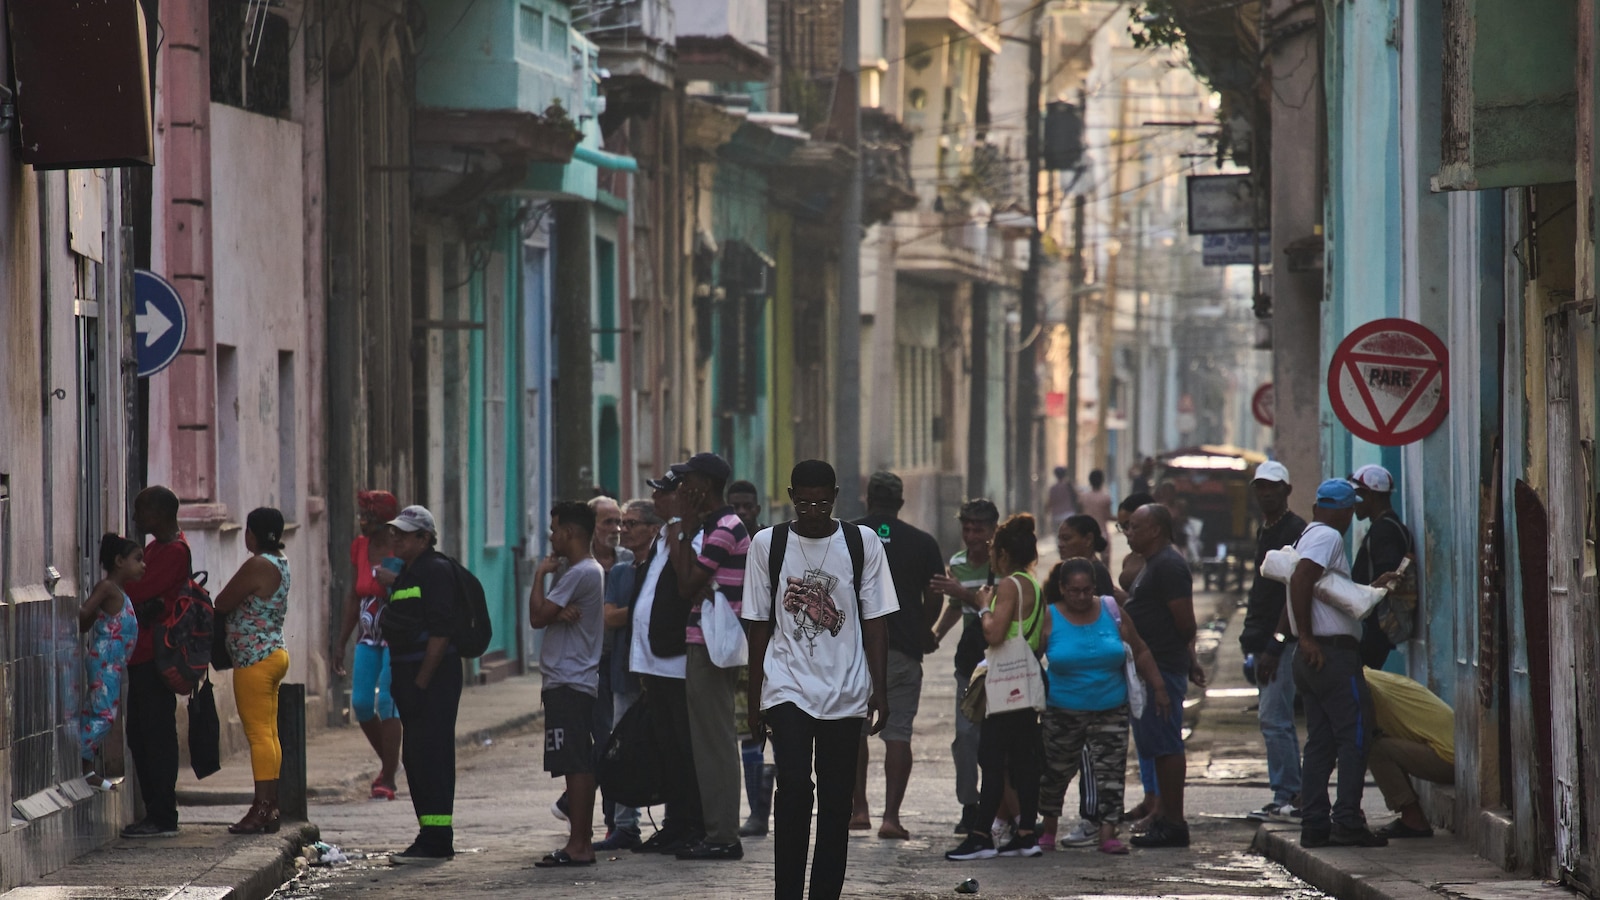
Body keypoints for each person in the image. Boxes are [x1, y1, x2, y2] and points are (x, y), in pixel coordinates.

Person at [743, 459, 896, 900]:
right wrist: (754, 697)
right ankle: (786, 892)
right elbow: (757, 625)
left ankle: (824, 893)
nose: (812, 510)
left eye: (821, 502)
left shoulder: (861, 542)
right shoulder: (766, 544)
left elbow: (877, 621)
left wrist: (879, 689)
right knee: (793, 786)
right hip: (787, 683)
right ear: (791, 497)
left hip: (846, 688)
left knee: (835, 799)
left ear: (834, 498)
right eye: (804, 501)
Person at [1036, 559, 1169, 855]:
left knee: (1110, 773)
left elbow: (1140, 649)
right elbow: (1032, 657)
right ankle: (1048, 829)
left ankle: (1108, 833)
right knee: (1055, 771)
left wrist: (1159, 687)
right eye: (1074, 591)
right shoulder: (1050, 616)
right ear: (1062, 589)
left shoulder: (1112, 612)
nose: (1081, 597)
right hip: (1062, 710)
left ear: (1094, 588)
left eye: (1087, 591)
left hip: (1111, 707)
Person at [1289, 479, 1387, 848]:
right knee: (1356, 735)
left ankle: (1315, 823)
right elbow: (1301, 579)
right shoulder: (1327, 537)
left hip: (1316, 656)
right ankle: (1346, 820)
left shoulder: (1307, 535)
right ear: (1345, 511)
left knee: (1322, 741)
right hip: (1329, 655)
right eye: (1350, 511)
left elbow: (1320, 590)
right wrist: (1308, 637)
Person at [945, 514, 1046, 861]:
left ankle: (980, 836)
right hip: (1027, 680)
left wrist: (982, 605)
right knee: (1023, 761)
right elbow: (1040, 635)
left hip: (1005, 683)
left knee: (990, 758)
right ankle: (1026, 834)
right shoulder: (1032, 584)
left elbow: (994, 633)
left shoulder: (1007, 585)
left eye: (993, 550)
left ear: (1002, 553)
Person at [850, 470, 945, 840]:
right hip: (902, 651)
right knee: (898, 733)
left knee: (854, 733)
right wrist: (925, 629)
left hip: (856, 653)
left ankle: (859, 810)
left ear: (867, 499)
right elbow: (935, 591)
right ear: (901, 503)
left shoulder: (848, 536)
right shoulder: (922, 542)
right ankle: (891, 818)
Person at [666, 452, 750, 861]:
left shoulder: (724, 528)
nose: (681, 490)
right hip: (702, 639)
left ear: (705, 486)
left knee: (715, 741)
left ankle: (723, 835)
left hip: (711, 645)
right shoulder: (712, 526)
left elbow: (686, 585)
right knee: (707, 740)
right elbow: (687, 582)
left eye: (688, 482)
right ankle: (717, 830)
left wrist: (682, 527)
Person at [383, 505, 464, 865]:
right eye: (395, 531)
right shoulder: (409, 572)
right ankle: (431, 835)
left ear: (425, 538)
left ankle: (436, 840)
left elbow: (441, 633)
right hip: (413, 683)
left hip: (432, 682)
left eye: (404, 532)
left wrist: (420, 684)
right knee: (416, 757)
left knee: (431, 757)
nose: (395, 537)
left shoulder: (434, 571)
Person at [628, 471, 703, 854]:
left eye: (665, 491)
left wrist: (679, 529)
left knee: (685, 746)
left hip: (676, 658)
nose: (656, 497)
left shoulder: (692, 533)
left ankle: (694, 823)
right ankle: (675, 823)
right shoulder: (662, 536)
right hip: (651, 659)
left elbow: (685, 581)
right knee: (665, 747)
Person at [530, 500, 606, 868]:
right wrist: (556, 611)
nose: (551, 537)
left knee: (576, 763)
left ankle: (580, 844)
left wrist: (539, 575)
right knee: (574, 760)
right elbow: (549, 615)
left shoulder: (579, 572)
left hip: (571, 680)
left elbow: (536, 616)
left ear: (570, 533)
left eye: (555, 529)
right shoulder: (578, 572)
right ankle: (579, 841)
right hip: (568, 680)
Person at [1121, 504, 1201, 848]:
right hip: (1151, 665)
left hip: (1163, 666)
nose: (1129, 532)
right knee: (1156, 744)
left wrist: (1184, 656)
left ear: (1155, 530)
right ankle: (1164, 815)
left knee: (1167, 745)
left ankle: (1174, 822)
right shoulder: (1152, 564)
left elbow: (1185, 621)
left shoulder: (1168, 565)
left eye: (1135, 526)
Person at [213, 508, 292, 835]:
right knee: (269, 735)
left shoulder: (258, 564)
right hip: (273, 652)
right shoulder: (281, 563)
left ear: (253, 534)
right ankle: (270, 807)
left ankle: (262, 808)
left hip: (254, 659)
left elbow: (222, 601)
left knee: (259, 736)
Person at [121, 485, 193, 838]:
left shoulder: (174, 551)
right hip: (142, 651)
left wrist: (118, 578)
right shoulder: (156, 548)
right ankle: (156, 810)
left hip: (156, 654)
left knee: (154, 733)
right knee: (140, 732)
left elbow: (137, 588)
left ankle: (162, 813)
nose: (136, 518)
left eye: (141, 510)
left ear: (160, 514)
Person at [929, 498, 1000, 835]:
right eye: (967, 528)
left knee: (999, 739)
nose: (971, 535)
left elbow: (1001, 609)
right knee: (966, 738)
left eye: (979, 530)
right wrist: (936, 635)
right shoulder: (956, 563)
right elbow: (955, 607)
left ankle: (1000, 806)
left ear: (993, 531)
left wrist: (962, 592)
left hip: (1002, 663)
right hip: (969, 667)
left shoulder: (1004, 566)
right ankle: (969, 805)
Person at [1241, 461, 1307, 822]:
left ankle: (1290, 795)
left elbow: (1291, 594)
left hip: (1279, 644)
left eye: (1272, 487)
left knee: (1275, 718)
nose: (1265, 493)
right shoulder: (1265, 530)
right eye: (1260, 487)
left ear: (1286, 490)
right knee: (1273, 718)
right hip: (1264, 640)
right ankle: (1287, 793)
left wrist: (1275, 643)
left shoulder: (1294, 531)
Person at [595, 498, 661, 851]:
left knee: (665, 745)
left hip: (660, 671)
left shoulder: (661, 566)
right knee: (622, 746)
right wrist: (643, 608)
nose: (624, 530)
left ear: (653, 529)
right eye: (622, 523)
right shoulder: (621, 572)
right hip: (626, 670)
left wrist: (631, 610)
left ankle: (673, 819)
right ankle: (624, 824)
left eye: (632, 524)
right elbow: (610, 617)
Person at [332, 490, 403, 801]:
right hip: (367, 636)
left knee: (387, 701)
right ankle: (391, 762)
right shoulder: (360, 547)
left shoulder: (400, 549)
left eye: (369, 517)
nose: (362, 521)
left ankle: (387, 776)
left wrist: (395, 582)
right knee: (362, 702)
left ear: (386, 522)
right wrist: (340, 642)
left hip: (396, 635)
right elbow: (353, 596)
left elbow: (409, 592)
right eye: (361, 515)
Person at [727, 478, 775, 839]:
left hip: (776, 649)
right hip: (737, 652)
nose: (742, 512)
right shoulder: (722, 543)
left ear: (757, 509)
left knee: (783, 731)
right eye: (736, 507)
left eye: (747, 506)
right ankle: (758, 812)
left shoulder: (770, 543)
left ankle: (774, 804)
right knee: (749, 732)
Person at [79, 533, 143, 791]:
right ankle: (82, 760)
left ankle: (87, 768)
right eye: (137, 559)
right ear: (119, 561)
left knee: (99, 713)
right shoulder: (107, 588)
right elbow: (85, 613)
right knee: (104, 717)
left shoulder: (120, 592)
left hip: (114, 665)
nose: (143, 565)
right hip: (105, 661)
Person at [1364, 668, 1454, 839]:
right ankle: (1414, 816)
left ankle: (1414, 820)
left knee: (1376, 749)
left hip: (1447, 757)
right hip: (1452, 751)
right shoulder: (1374, 677)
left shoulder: (1365, 688)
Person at [1350, 465, 1413, 669]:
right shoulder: (1389, 526)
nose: (1354, 503)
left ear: (1370, 495)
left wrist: (1369, 591)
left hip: (1375, 629)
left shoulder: (1384, 531)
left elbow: (1388, 579)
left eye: (1358, 495)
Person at [1057, 515, 1119, 599]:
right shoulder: (1070, 569)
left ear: (1088, 539)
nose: (1060, 545)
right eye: (1059, 539)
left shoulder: (1097, 571)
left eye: (1066, 539)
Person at [1078, 470, 1113, 538]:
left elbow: (1079, 514)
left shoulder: (1083, 497)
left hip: (1086, 532)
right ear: (1102, 481)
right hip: (1101, 532)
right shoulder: (1105, 497)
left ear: (1090, 481)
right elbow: (1108, 516)